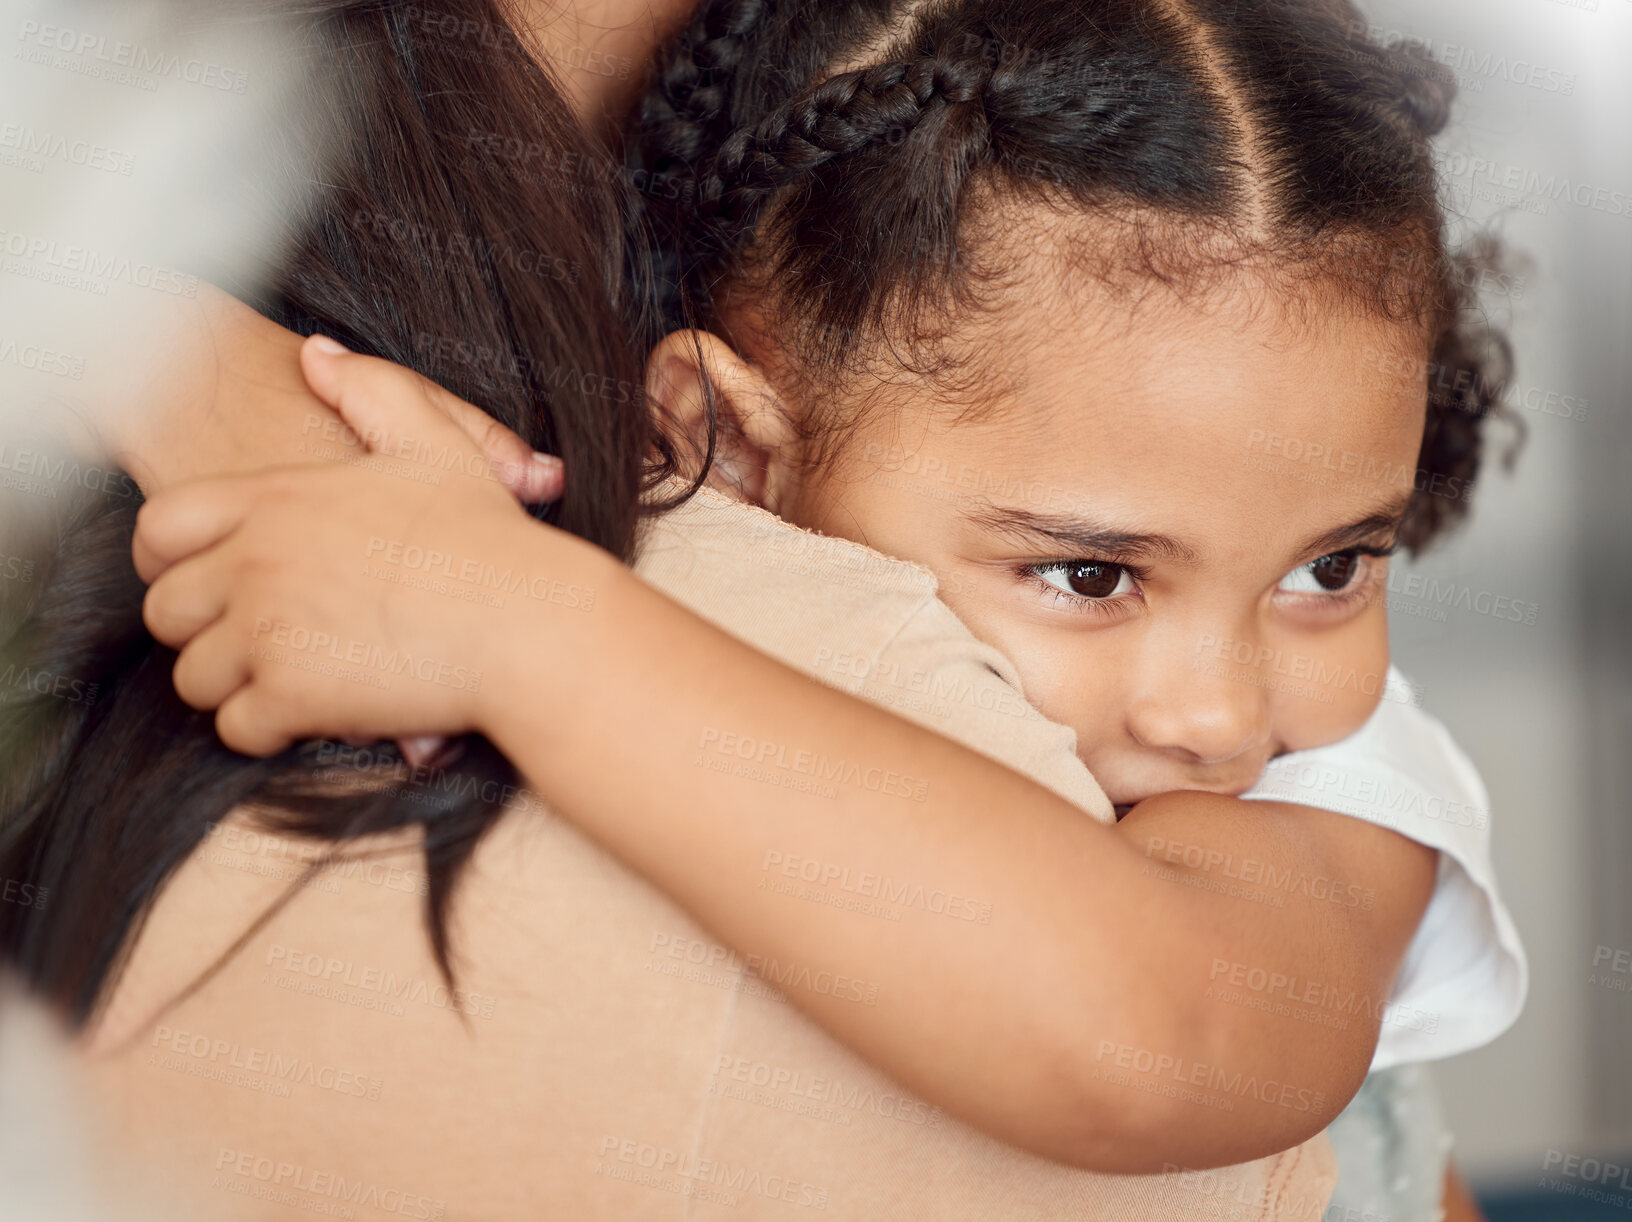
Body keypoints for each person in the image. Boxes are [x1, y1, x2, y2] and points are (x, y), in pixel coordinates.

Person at [117, 0, 1518, 1215]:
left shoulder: (1343, 791)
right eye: (1090, 575)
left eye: (1329, 568)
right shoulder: (733, 594)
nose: (1219, 712)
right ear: (723, 446)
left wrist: (509, 619)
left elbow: (1166, 1027)